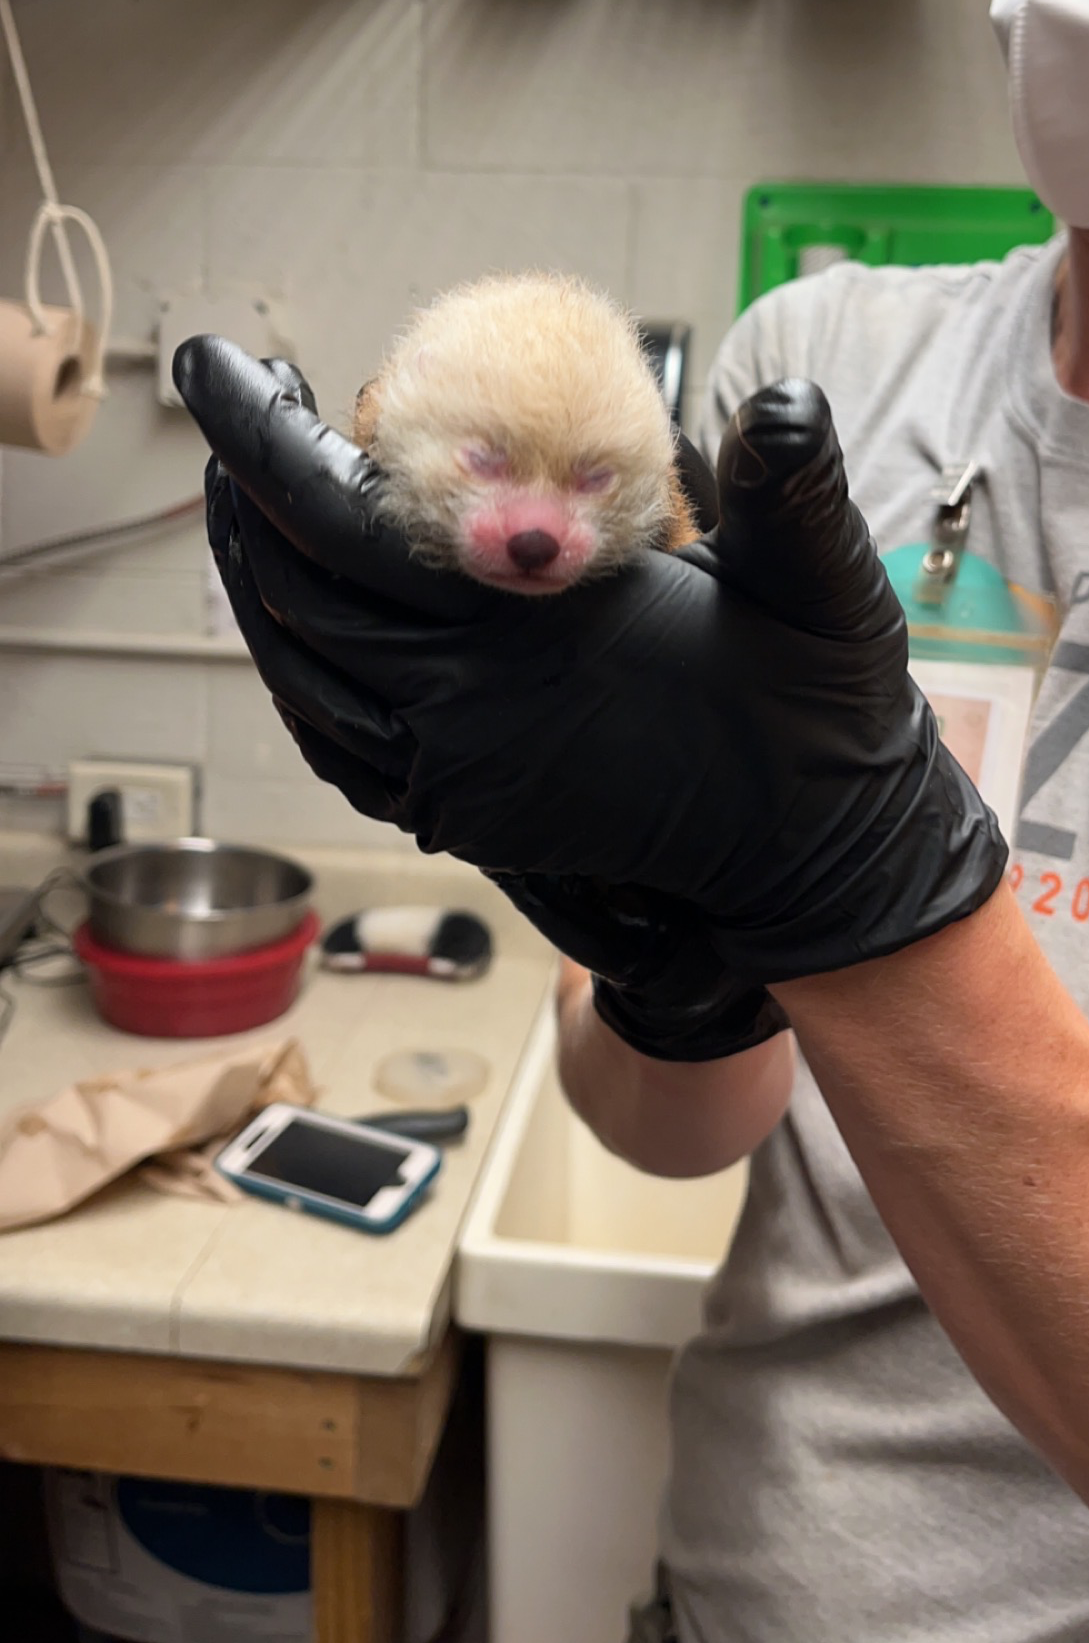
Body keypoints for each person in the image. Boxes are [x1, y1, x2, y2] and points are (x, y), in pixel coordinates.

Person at [174, 2, 1089, 1633]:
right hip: (756, 1568)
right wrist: (678, 967)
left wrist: (859, 891)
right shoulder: (827, 374)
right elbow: (681, 1126)